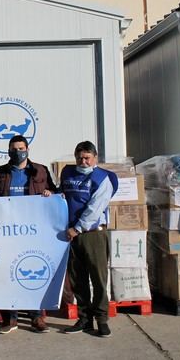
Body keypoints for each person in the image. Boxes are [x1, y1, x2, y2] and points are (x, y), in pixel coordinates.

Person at [0, 135, 57, 334]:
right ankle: (11, 318)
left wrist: (50, 194)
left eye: (21, 148)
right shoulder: (0, 172)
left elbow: (54, 191)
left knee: (33, 271)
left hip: (34, 230)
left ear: (27, 149)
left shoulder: (40, 170)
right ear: (8, 151)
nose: (18, 152)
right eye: (14, 148)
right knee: (8, 272)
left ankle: (36, 317)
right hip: (8, 231)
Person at [60, 141, 118, 338]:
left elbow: (95, 208)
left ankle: (102, 319)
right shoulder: (67, 173)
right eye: (79, 158)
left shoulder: (104, 178)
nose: (83, 162)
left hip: (92, 233)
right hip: (71, 234)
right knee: (78, 278)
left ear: (95, 158)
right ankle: (84, 318)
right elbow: (63, 197)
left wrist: (77, 228)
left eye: (87, 158)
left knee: (98, 278)